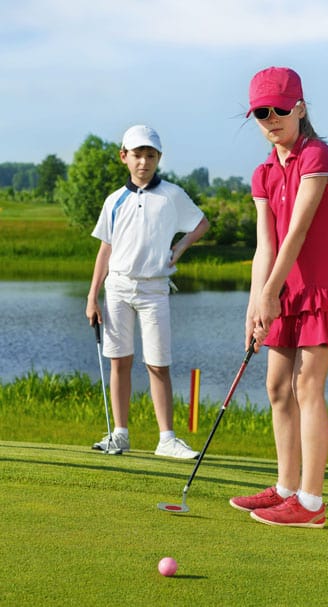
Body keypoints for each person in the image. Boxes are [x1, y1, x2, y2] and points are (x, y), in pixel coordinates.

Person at [229, 67, 328, 527]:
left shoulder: (316, 155)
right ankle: (285, 487)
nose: (270, 119)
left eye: (279, 109)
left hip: (320, 289)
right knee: (276, 388)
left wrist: (268, 296)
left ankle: (311, 503)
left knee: (307, 387)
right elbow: (265, 246)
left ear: (300, 107)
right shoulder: (263, 172)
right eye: (260, 113)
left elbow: (298, 233)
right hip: (280, 292)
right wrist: (254, 305)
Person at [86, 124, 209, 459]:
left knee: (158, 363)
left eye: (150, 155)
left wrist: (181, 244)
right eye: (137, 155)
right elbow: (105, 250)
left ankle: (166, 439)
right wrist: (91, 296)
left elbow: (201, 223)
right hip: (118, 288)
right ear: (124, 157)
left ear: (159, 158)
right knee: (119, 362)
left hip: (155, 289)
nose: (144, 161)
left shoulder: (171, 194)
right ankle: (120, 435)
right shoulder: (115, 200)